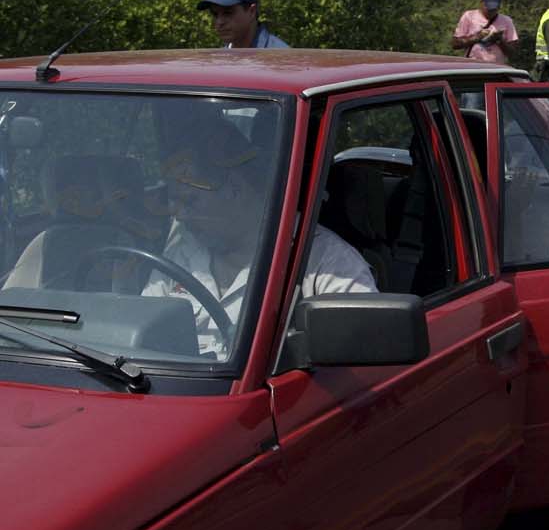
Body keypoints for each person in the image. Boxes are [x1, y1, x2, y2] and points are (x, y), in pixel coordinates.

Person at [143, 120, 375, 358]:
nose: (179, 216)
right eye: (174, 201)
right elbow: (143, 331)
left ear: (235, 188)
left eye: (190, 201)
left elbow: (360, 358)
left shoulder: (327, 262)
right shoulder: (182, 249)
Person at [196, 0, 288, 49]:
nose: (219, 22)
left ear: (251, 11)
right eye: (215, 14)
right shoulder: (219, 60)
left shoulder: (280, 60)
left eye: (228, 13)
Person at [451, 0, 519, 65]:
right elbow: (455, 44)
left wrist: (499, 40)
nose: (491, 12)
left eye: (494, 9)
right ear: (482, 3)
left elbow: (513, 52)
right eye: (488, 8)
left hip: (496, 68)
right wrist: (476, 37)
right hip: (472, 66)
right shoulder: (469, 16)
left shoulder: (506, 21)